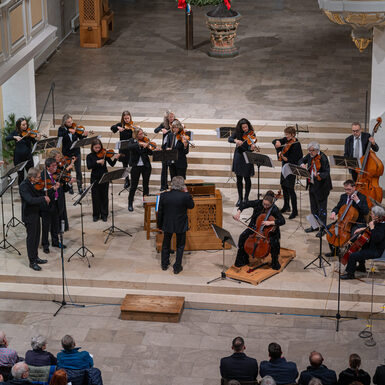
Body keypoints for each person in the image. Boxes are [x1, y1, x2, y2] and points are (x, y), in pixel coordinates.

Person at [233, 190, 285, 270]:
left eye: (268, 205)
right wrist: (238, 212)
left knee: (274, 243)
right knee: (242, 237)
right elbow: (245, 204)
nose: (265, 206)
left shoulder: (274, 209)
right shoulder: (258, 203)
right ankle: (243, 260)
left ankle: (275, 262)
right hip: (255, 227)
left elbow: (282, 221)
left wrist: (271, 222)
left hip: (269, 231)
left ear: (271, 204)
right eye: (264, 204)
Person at [157, 176, 194, 274]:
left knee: (166, 244)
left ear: (172, 184)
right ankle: (177, 267)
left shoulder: (164, 195)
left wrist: (159, 226)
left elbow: (160, 212)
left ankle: (164, 264)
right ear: (182, 185)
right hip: (180, 224)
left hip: (167, 223)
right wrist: (187, 192)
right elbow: (191, 206)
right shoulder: (185, 196)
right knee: (180, 246)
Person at [326, 180, 369, 257]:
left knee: (354, 237)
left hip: (356, 222)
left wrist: (357, 201)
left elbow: (365, 211)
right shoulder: (343, 196)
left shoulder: (362, 197)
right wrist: (333, 213)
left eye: (349, 189)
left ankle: (351, 256)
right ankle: (334, 251)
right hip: (344, 221)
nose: (347, 191)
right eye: (345, 189)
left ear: (354, 188)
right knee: (329, 230)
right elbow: (338, 207)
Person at [341, 205, 385, 279]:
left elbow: (376, 239)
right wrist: (362, 228)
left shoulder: (383, 227)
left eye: (372, 214)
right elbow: (373, 230)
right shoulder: (379, 221)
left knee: (353, 255)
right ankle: (362, 267)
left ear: (377, 216)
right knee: (361, 245)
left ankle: (350, 274)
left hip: (376, 251)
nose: (371, 215)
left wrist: (372, 228)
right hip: (372, 246)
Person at [19, 168, 50, 271]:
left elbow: (40, 191)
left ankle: (36, 257)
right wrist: (43, 198)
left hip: (36, 213)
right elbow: (30, 200)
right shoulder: (24, 185)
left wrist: (52, 189)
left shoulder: (35, 183)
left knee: (37, 237)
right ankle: (32, 262)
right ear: (32, 177)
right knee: (31, 239)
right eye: (38, 177)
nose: (40, 178)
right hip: (29, 215)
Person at [299, 141, 332, 233]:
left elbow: (327, 172)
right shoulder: (310, 155)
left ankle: (322, 228)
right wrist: (302, 164)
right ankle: (314, 226)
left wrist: (319, 175)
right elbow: (301, 160)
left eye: (311, 151)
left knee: (321, 209)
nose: (309, 153)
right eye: (309, 150)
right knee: (313, 208)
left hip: (322, 187)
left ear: (317, 150)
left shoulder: (323, 158)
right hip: (312, 185)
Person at [272, 126, 303, 219]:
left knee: (290, 189)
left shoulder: (297, 144)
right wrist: (277, 142)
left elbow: (296, 158)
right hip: (284, 167)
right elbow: (275, 141)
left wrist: (284, 157)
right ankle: (286, 206)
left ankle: (295, 210)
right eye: (285, 135)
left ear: (293, 135)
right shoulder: (286, 140)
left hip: (291, 168)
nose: (286, 137)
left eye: (288, 135)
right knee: (284, 186)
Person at [86, 138, 120, 222]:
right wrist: (97, 162)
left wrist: (116, 158)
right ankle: (96, 215)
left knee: (104, 196)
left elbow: (112, 164)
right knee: (95, 197)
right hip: (95, 178)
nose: (98, 149)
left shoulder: (105, 153)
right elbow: (89, 166)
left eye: (99, 147)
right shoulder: (89, 156)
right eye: (96, 148)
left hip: (105, 177)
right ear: (92, 147)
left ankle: (104, 214)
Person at [40, 158, 68, 254]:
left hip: (56, 203)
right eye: (53, 166)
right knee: (46, 225)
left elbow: (63, 187)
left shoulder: (56, 175)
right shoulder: (42, 176)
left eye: (56, 165)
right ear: (48, 167)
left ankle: (55, 242)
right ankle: (45, 244)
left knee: (55, 224)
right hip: (47, 204)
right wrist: (52, 188)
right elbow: (41, 191)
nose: (56, 167)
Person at [228, 118, 257, 206]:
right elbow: (229, 138)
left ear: (248, 125)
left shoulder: (251, 133)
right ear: (240, 128)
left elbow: (252, 145)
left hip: (247, 156)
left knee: (247, 178)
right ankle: (240, 198)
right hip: (239, 156)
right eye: (243, 128)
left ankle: (246, 198)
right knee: (239, 178)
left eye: (246, 127)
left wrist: (252, 148)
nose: (245, 129)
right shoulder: (237, 132)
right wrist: (236, 140)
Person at [57, 114, 90, 194]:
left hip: (76, 152)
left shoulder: (75, 127)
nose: (71, 123)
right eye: (68, 122)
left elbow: (80, 137)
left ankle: (80, 187)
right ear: (64, 122)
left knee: (78, 171)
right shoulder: (61, 129)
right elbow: (60, 136)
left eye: (71, 121)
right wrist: (68, 131)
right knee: (68, 171)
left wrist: (84, 136)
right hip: (67, 153)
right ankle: (70, 186)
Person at [127, 128, 153, 212]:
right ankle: (130, 203)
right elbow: (129, 147)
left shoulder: (146, 140)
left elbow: (150, 153)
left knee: (146, 185)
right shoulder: (132, 140)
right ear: (136, 135)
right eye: (140, 134)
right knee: (134, 185)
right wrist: (140, 144)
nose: (142, 135)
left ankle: (145, 203)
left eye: (142, 134)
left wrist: (150, 148)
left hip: (145, 166)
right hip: (135, 166)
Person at [5, 118, 38, 185]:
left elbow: (35, 143)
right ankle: (22, 191)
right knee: (21, 176)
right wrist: (15, 137)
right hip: (18, 158)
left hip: (28, 157)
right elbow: (7, 138)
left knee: (31, 175)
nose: (25, 126)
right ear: (19, 126)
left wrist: (38, 138)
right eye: (23, 125)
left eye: (26, 124)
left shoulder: (29, 133)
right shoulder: (15, 132)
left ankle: (31, 190)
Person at [110, 110, 133, 189]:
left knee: (131, 165)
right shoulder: (120, 124)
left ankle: (133, 181)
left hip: (130, 148)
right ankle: (127, 180)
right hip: (123, 149)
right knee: (125, 165)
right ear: (123, 118)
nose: (127, 120)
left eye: (128, 118)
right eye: (125, 119)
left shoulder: (132, 126)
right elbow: (112, 128)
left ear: (130, 118)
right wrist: (117, 127)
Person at [154, 110, 175, 191]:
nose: (171, 119)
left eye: (172, 117)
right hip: (164, 148)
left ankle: (174, 186)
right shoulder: (164, 124)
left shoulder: (176, 124)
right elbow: (155, 130)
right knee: (164, 169)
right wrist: (162, 129)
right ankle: (163, 186)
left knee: (172, 169)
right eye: (169, 117)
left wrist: (169, 130)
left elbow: (180, 129)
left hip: (172, 148)